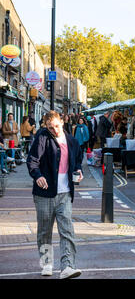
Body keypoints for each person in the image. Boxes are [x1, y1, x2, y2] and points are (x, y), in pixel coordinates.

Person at [27, 111, 83, 279]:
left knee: (67, 230)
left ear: (62, 123)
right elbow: (32, 161)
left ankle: (67, 267)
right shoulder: (42, 137)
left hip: (65, 193)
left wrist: (78, 171)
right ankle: (46, 264)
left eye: (57, 126)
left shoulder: (72, 141)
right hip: (45, 194)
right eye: (50, 128)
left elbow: (77, 160)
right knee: (44, 231)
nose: (55, 130)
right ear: (46, 127)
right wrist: (38, 176)